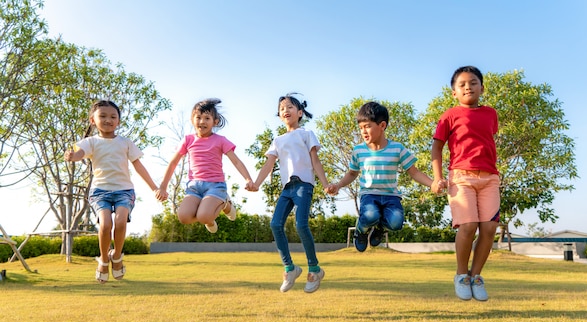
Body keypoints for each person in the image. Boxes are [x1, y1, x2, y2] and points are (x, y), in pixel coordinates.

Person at [64, 100, 166, 284]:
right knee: (105, 224)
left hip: (124, 190)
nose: (108, 120)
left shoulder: (125, 143)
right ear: (93, 120)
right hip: (100, 191)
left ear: (118, 121)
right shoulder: (91, 142)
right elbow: (80, 154)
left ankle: (116, 257)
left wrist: (155, 188)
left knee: (120, 221)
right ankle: (103, 260)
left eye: (113, 117)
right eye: (102, 116)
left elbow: (139, 167)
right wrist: (73, 157)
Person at [431, 65, 500, 302]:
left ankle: (476, 276)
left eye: (473, 82)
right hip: (461, 177)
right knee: (468, 226)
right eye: (462, 84)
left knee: (489, 228)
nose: (468, 87)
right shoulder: (449, 115)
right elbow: (437, 147)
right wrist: (437, 177)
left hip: (490, 177)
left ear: (481, 87)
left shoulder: (491, 114)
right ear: (454, 92)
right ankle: (461, 275)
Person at [327, 101, 435, 252]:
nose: (363, 132)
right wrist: (338, 185)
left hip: (391, 196)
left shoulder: (397, 148)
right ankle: (361, 231)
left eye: (367, 126)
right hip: (369, 194)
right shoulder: (358, 151)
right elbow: (352, 173)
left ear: (382, 125)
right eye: (361, 128)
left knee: (396, 223)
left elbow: (414, 172)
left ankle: (379, 229)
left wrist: (432, 183)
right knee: (370, 215)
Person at [250, 93, 330, 293]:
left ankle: (314, 269)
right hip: (287, 188)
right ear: (279, 115)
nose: (285, 110)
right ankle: (290, 268)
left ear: (300, 112)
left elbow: (315, 161)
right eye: (282, 108)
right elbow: (268, 164)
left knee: (301, 224)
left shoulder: (306, 134)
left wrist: (326, 183)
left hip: (304, 185)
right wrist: (256, 183)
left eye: (290, 107)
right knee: (275, 224)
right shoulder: (277, 140)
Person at [157, 98, 256, 233]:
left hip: (215, 185)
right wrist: (163, 186)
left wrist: (248, 179)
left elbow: (236, 161)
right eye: (198, 117)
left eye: (207, 118)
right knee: (184, 217)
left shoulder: (220, 140)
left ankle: (225, 203)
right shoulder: (188, 140)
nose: (202, 121)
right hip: (194, 187)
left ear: (214, 122)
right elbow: (173, 162)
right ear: (192, 119)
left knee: (203, 216)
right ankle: (208, 217)